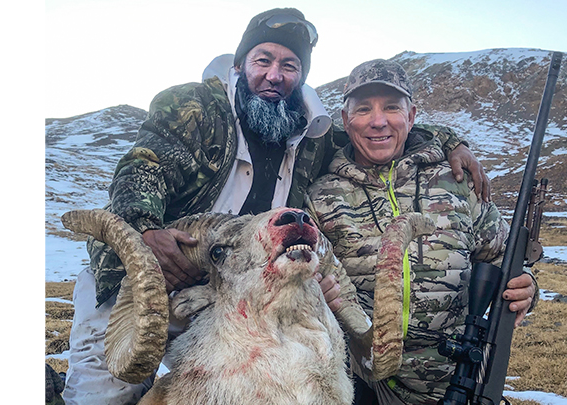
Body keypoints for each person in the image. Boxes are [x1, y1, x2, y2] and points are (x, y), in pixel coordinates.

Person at [62, 8, 490, 405]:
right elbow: (143, 166)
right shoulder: (193, 107)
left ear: (300, 76)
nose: (273, 76)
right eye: (262, 60)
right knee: (110, 390)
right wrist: (144, 230)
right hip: (146, 274)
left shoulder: (310, 130)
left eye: (289, 66)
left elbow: (375, 127)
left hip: (238, 287)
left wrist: (448, 141)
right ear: (240, 64)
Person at [306, 59, 538, 405]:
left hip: (461, 380)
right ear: (345, 120)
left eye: (392, 108)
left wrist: (528, 288)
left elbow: (505, 257)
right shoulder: (320, 197)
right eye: (364, 109)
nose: (378, 121)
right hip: (364, 385)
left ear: (412, 116)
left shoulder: (458, 181)